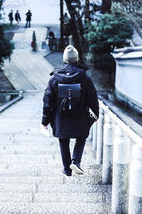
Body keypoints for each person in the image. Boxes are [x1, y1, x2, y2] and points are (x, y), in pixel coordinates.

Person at [41, 45, 99, 176]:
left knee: (63, 140)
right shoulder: (85, 78)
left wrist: (45, 121)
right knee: (81, 137)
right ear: (77, 59)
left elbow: (47, 101)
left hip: (60, 118)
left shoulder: (54, 79)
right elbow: (93, 97)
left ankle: (67, 169)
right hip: (80, 116)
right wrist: (96, 114)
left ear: (64, 59)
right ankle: (76, 161)